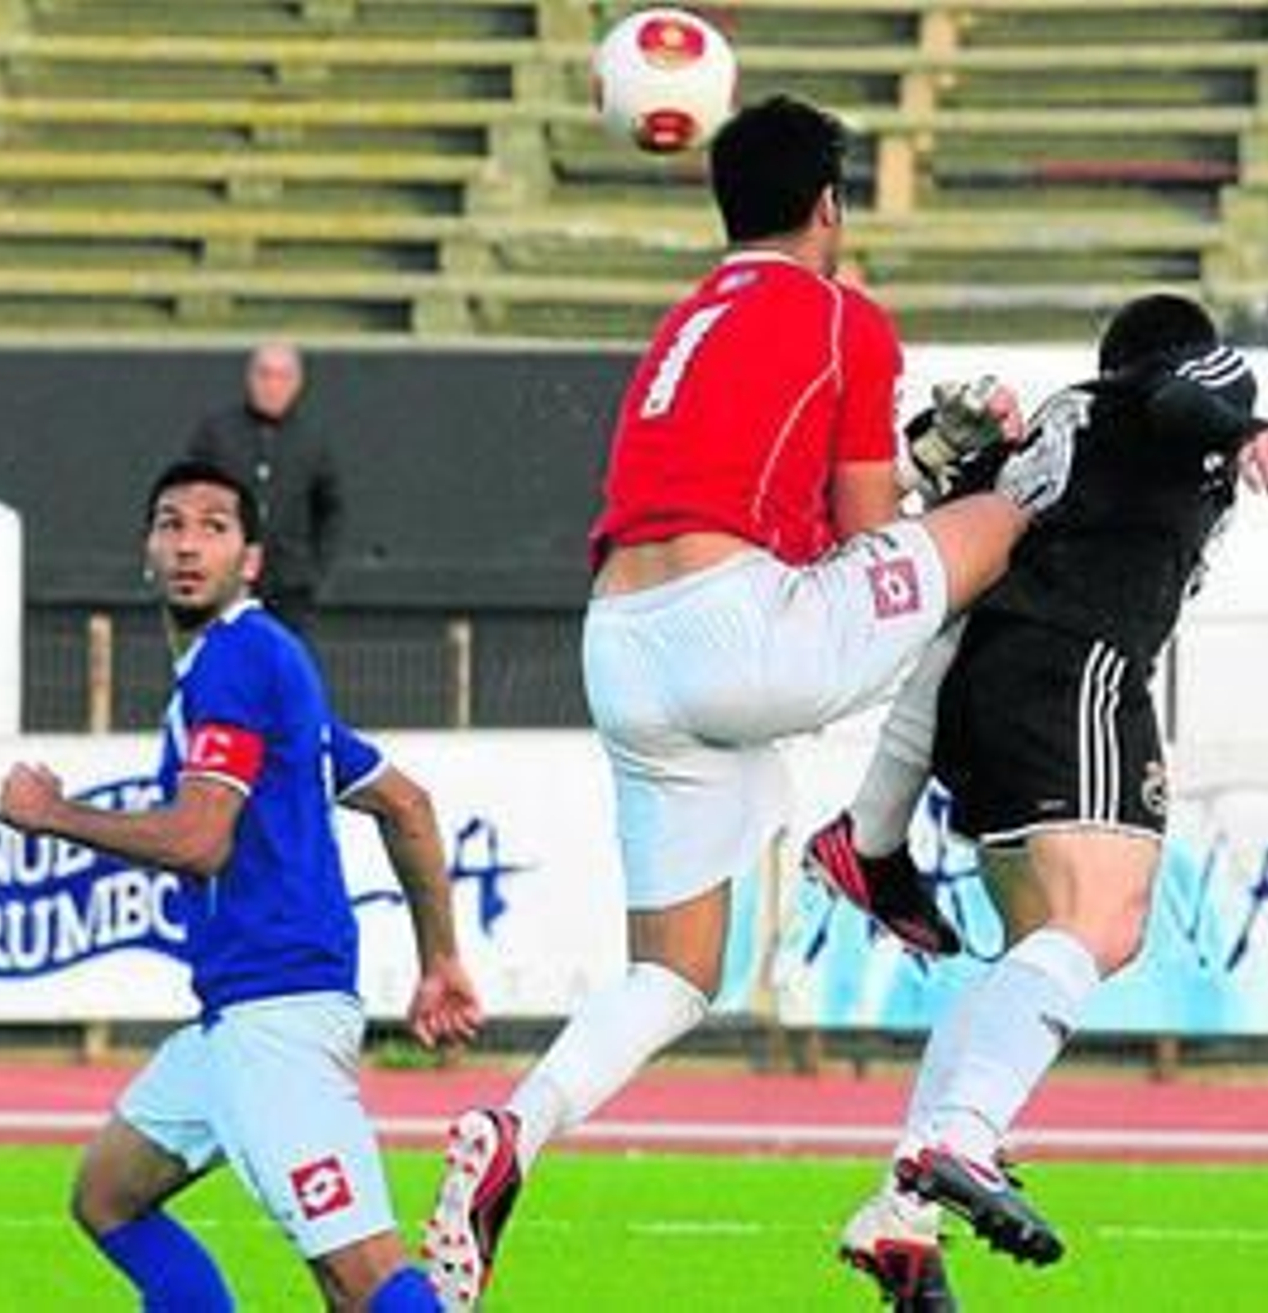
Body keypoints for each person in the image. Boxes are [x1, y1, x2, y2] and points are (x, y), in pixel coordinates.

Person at [421, 94, 1077, 1312]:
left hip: (623, 644)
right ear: (829, 204)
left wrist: (912, 483)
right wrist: (962, 474)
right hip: (740, 628)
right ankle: (875, 835)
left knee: (674, 974)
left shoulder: (686, 318)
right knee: (1015, 513)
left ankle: (514, 1128)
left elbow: (810, 518)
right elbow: (871, 535)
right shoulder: (839, 311)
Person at [804, 294, 1268, 1291]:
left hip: (991, 698)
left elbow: (946, 568)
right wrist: (1248, 423)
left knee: (1047, 947)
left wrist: (882, 810)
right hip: (1074, 670)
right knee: (1100, 920)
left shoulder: (1057, 426)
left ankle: (901, 1209)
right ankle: (955, 1135)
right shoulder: (1157, 393)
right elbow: (1180, 394)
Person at [0, 458, 481, 1312]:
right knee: (109, 1196)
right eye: (170, 523)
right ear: (146, 548)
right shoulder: (261, 672)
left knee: (360, 1279)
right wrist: (439, 958)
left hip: (277, 1022)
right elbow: (406, 803)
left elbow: (197, 839)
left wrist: (53, 812)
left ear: (249, 560)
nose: (188, 544)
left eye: (214, 527)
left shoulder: (238, 659)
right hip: (235, 1020)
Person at [188, 341, 344, 636]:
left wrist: (316, 572)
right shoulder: (217, 433)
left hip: (289, 590)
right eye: (264, 374)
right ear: (249, 377)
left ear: (297, 383)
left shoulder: (312, 440)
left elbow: (330, 508)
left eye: (282, 376)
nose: (272, 385)